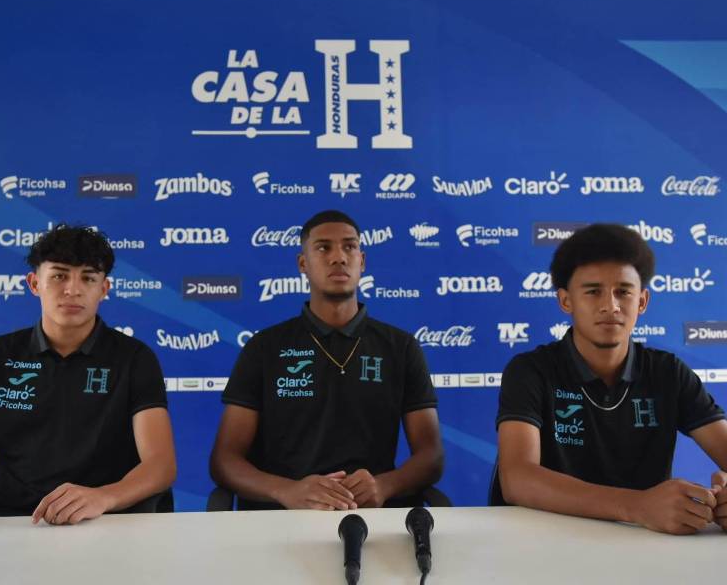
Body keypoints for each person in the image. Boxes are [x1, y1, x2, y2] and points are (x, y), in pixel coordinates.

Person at [0, 224, 176, 534]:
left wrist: (104, 497)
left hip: (108, 521)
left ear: (104, 289)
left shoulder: (135, 359)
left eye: (88, 278)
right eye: (59, 276)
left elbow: (160, 465)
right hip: (11, 523)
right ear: (34, 283)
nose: (72, 289)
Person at [496, 223, 727, 534]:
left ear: (642, 301)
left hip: (643, 547)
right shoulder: (530, 370)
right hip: (548, 541)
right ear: (566, 301)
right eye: (593, 291)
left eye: (623, 291)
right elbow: (517, 479)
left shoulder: (668, 372)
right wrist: (638, 506)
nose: (610, 305)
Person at [210, 210, 443, 510]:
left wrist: (383, 485)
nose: (339, 258)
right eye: (323, 248)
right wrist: (287, 491)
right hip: (280, 519)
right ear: (303, 264)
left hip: (372, 516)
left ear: (362, 261)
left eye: (349, 247)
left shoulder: (401, 346)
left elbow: (431, 455)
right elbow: (224, 460)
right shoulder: (264, 347)